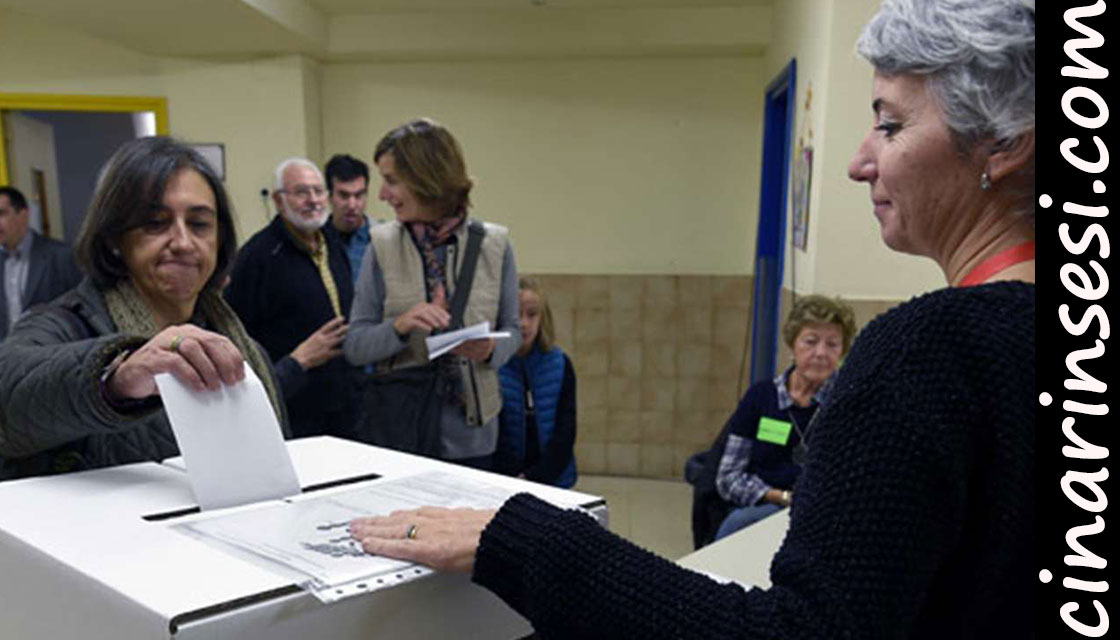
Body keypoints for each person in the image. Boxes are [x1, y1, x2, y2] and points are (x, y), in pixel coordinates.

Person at [351, 1, 1036, 636]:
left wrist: (525, 540)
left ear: (1003, 143)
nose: (860, 162)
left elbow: (801, 630)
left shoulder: (930, 351)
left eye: (890, 123)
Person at [0, 136, 290, 479]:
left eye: (199, 224)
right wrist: (115, 378)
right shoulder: (68, 323)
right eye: (155, 223)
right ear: (114, 240)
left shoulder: (242, 349)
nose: (182, 242)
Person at [345, 118, 520, 469]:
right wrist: (400, 326)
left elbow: (513, 330)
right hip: (402, 431)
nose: (381, 194)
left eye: (391, 180)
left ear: (427, 177)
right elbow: (355, 347)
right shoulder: (381, 245)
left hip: (475, 438)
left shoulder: (495, 245)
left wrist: (491, 349)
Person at [223, 158, 359, 439]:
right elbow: (237, 337)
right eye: (301, 192)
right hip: (294, 406)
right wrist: (298, 360)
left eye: (319, 191)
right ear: (278, 200)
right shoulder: (258, 257)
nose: (313, 200)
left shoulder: (332, 243)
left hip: (344, 402)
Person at [712, 294, 855, 540]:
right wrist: (779, 497)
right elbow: (728, 477)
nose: (820, 353)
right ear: (792, 344)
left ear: (842, 351)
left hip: (820, 513)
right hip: (761, 506)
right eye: (810, 342)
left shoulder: (847, 403)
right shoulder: (761, 397)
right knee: (737, 524)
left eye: (832, 344)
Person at [494, 276, 577, 488]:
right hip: (506, 479)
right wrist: (513, 477)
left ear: (543, 318)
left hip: (554, 478)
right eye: (516, 314)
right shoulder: (494, 364)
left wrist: (537, 477)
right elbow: (495, 433)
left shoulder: (560, 363)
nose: (524, 323)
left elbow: (566, 430)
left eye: (532, 315)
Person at [0, 185, 81, 344]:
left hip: (51, 352)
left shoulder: (60, 255)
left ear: (23, 215)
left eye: (1, 213)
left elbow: (79, 309)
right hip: (3, 356)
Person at [322, 154, 374, 283]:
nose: (352, 205)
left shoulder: (383, 239)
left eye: (358, 195)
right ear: (329, 196)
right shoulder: (315, 240)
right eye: (344, 195)